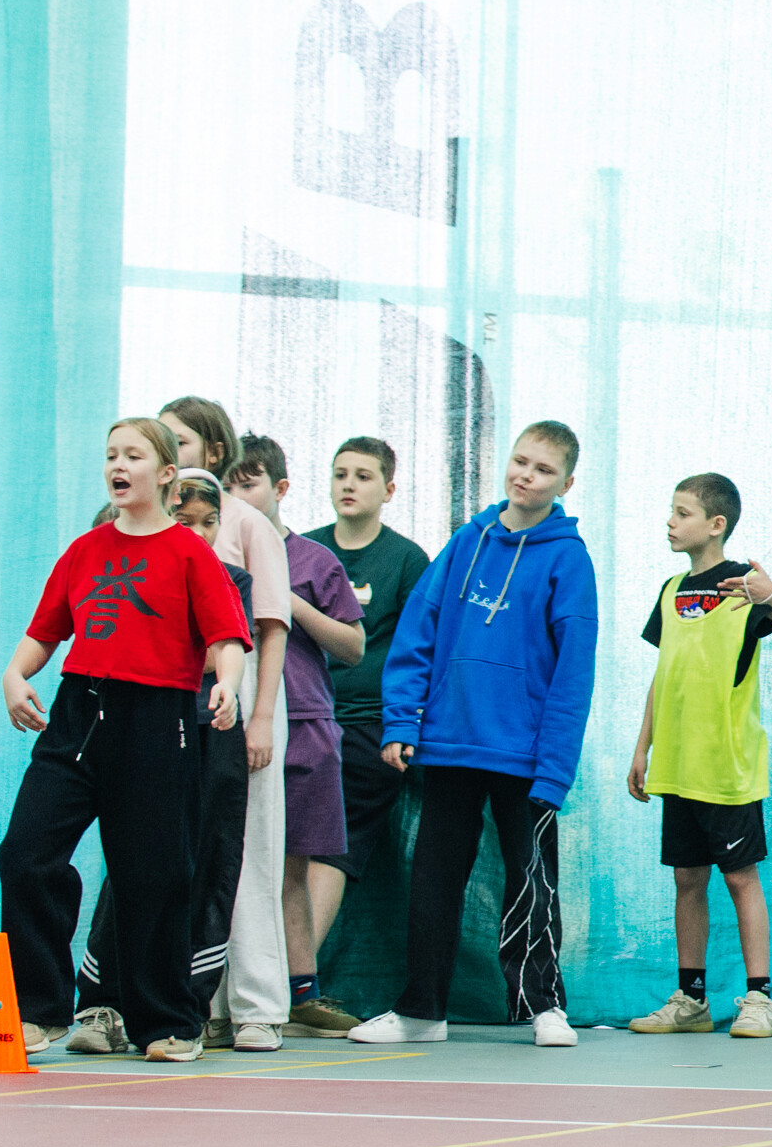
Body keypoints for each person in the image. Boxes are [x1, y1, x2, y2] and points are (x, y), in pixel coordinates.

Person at [0, 419, 247, 1062]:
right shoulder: (84, 551)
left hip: (158, 719)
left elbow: (226, 637)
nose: (118, 465)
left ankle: (167, 1023)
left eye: (133, 455)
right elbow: (44, 633)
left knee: (154, 876)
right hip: (78, 714)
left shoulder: (190, 552)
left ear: (165, 474)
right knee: (25, 852)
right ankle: (39, 1009)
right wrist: (14, 676)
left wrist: (227, 683)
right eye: (111, 454)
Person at [350, 423, 599, 1048]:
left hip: (525, 755)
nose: (526, 476)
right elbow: (418, 632)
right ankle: (421, 1012)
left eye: (543, 470)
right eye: (520, 461)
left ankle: (545, 1007)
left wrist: (555, 768)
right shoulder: (468, 541)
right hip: (449, 743)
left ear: (566, 483)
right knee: (433, 881)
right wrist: (402, 721)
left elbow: (573, 674)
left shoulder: (568, 559)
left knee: (531, 880)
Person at [625, 473, 772, 1040]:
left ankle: (760, 1000)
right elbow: (665, 673)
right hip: (677, 765)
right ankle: (691, 1001)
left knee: (739, 879)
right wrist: (642, 747)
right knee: (688, 880)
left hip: (727, 765)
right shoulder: (671, 591)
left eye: (681, 513)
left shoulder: (743, 587)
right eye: (670, 511)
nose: (670, 522)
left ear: (716, 525)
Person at [148, 397, 295, 1049]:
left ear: (213, 451)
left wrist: (259, 719)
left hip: (244, 694)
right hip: (176, 697)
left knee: (250, 851)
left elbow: (271, 628)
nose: (165, 451)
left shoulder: (245, 523)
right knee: (184, 848)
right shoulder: (153, 523)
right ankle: (194, 1002)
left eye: (177, 440)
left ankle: (258, 1005)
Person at [225, 435, 366, 1031]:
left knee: (292, 866)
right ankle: (216, 998)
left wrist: (291, 605)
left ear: (279, 488)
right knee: (229, 863)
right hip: (231, 723)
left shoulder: (314, 560)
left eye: (249, 484)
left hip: (306, 724)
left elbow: (354, 646)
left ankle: (301, 990)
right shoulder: (212, 557)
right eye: (228, 486)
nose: (238, 496)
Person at [299, 435, 434, 1030]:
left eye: (362, 475)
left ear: (389, 489)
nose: (348, 485)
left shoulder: (406, 560)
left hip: (368, 727)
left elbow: (420, 648)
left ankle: (290, 986)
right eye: (340, 474)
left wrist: (404, 726)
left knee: (333, 848)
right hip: (301, 719)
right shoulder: (304, 551)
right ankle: (258, 988)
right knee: (282, 853)